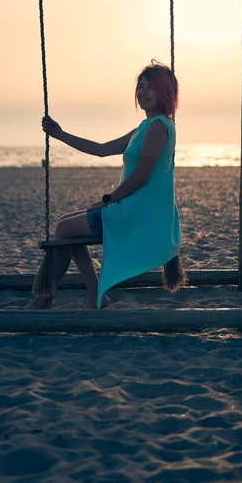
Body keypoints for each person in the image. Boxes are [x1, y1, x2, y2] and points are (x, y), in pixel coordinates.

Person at [29, 60, 187, 310]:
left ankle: (47, 298)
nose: (142, 92)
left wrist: (108, 199)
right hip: (132, 206)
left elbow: (141, 176)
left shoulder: (159, 127)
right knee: (66, 226)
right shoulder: (144, 127)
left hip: (140, 212)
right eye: (140, 87)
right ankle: (92, 295)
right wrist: (60, 134)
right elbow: (101, 150)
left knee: (66, 228)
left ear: (165, 92)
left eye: (150, 87)